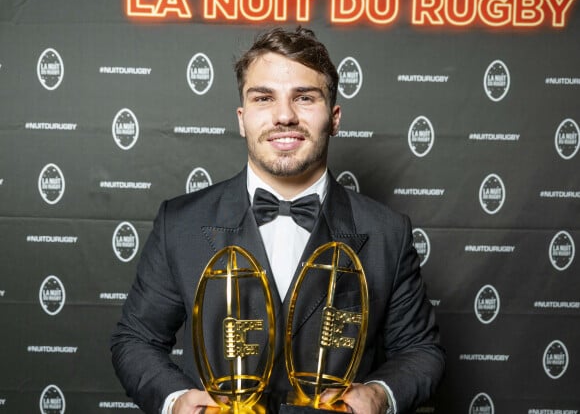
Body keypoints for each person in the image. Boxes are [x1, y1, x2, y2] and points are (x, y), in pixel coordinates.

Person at [111, 26, 445, 414]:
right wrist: (175, 402)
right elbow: (135, 340)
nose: (284, 115)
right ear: (242, 118)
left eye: (305, 97)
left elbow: (421, 351)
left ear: (334, 118)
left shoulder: (388, 232)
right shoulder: (180, 223)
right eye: (264, 98)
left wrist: (380, 395)